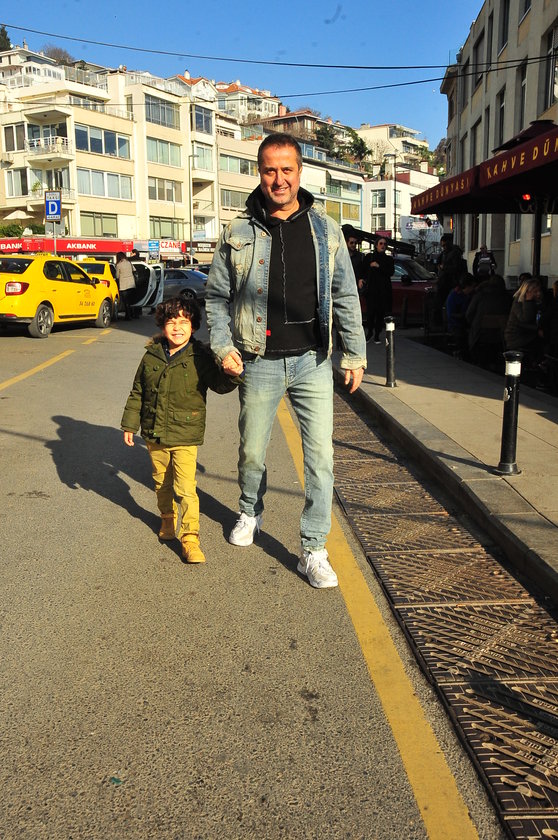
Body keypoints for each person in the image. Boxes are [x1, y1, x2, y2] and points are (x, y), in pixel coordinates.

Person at [205, 132, 366, 590]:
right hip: (258, 360)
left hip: (312, 360)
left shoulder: (325, 230)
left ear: (300, 172)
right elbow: (215, 298)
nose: (279, 179)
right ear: (259, 173)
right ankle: (250, 510)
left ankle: (313, 548)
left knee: (321, 459)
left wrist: (354, 353)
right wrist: (223, 346)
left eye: (287, 170)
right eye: (270, 170)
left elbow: (345, 295)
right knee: (251, 450)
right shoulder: (237, 231)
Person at [121, 296, 240, 564]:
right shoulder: (151, 355)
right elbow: (138, 391)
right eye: (171, 321)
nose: (177, 327)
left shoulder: (200, 356)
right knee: (161, 482)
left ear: (193, 326)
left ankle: (190, 538)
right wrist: (130, 423)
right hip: (154, 433)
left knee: (185, 488)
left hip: (185, 434)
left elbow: (219, 384)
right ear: (162, 325)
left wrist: (232, 374)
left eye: (184, 322)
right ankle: (167, 518)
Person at [465, 274, 511, 369]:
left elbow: (469, 314)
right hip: (501, 336)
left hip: (480, 335)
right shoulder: (507, 297)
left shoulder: (480, 295)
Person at [504, 276, 544, 366]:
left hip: (528, 334)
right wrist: (528, 301)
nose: (538, 294)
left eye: (539, 291)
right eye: (535, 292)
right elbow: (525, 319)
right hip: (518, 337)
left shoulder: (537, 303)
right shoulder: (519, 302)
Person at [363, 237, 394, 343]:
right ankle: (369, 332)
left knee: (380, 313)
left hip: (383, 290)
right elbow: (363, 270)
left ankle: (377, 334)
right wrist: (361, 279)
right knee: (370, 313)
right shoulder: (369, 257)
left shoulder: (388, 259)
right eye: (381, 243)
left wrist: (378, 266)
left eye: (384, 244)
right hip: (371, 290)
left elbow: (390, 272)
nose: (383, 246)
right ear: (376, 245)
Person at [115, 251, 136, 320]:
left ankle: (128, 315)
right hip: (131, 284)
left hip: (123, 285)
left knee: (125, 301)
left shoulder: (119, 265)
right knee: (130, 300)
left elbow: (117, 276)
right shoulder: (129, 263)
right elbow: (134, 270)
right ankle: (132, 314)